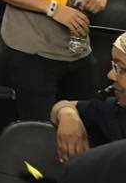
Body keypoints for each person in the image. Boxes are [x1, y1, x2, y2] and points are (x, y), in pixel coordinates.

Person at [50, 30, 126, 162]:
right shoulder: (114, 111)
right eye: (114, 66)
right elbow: (63, 106)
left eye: (122, 69)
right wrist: (68, 114)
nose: (110, 75)